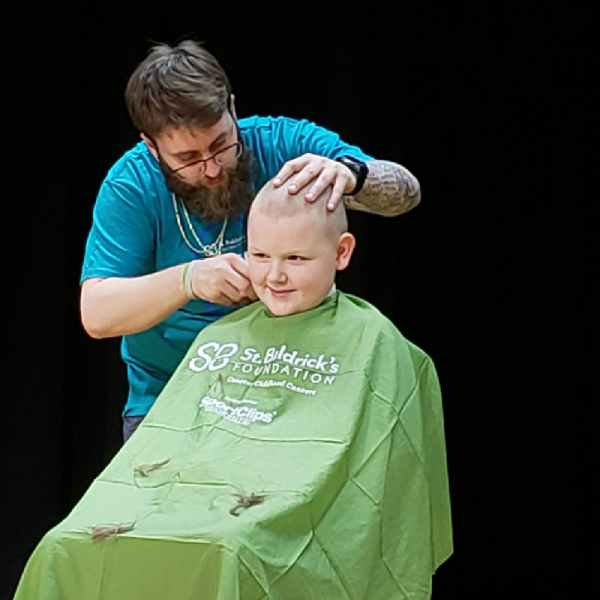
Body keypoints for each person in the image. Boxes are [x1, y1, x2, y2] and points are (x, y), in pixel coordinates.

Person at [15, 182, 452, 600]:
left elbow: (380, 478)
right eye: (259, 255)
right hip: (190, 498)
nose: (275, 275)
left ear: (342, 252)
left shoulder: (373, 340)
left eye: (296, 258)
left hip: (275, 518)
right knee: (63, 544)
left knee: (228, 548)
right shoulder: (220, 335)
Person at [79, 39, 422, 440]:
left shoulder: (280, 142)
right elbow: (97, 314)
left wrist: (354, 175)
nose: (211, 168)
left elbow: (407, 192)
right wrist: (188, 280)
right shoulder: (131, 185)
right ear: (151, 146)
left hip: (291, 393)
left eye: (221, 143)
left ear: (232, 109)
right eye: (188, 158)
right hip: (170, 403)